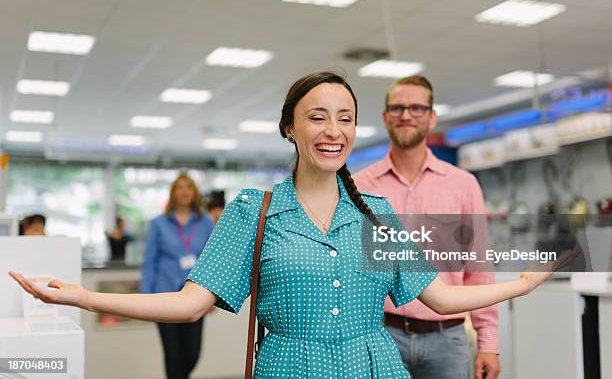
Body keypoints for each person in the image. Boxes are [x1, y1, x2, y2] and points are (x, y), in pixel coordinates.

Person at [9, 72, 577, 379]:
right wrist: (85, 296)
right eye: (318, 116)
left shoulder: (378, 213)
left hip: (373, 366)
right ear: (289, 129)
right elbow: (189, 304)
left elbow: (437, 297)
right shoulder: (252, 210)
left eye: (346, 118)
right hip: (289, 366)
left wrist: (520, 283)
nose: (334, 129)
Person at [354, 75, 500, 379]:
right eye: (397, 108)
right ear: (385, 117)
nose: (406, 115)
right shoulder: (359, 186)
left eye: (417, 108)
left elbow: (479, 267)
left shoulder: (462, 185)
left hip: (448, 340)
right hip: (380, 336)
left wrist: (489, 342)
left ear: (432, 117)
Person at [140, 172, 215, 379]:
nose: (184, 192)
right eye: (179, 187)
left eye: (188, 187)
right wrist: (145, 296)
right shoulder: (158, 224)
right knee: (172, 355)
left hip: (195, 295)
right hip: (164, 296)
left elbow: (211, 261)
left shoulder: (206, 222)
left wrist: (212, 297)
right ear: (173, 193)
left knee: (192, 353)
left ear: (195, 193)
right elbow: (150, 261)